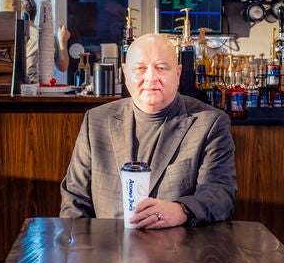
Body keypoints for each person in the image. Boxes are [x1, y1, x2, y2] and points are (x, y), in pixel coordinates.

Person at [60, 33, 236, 229]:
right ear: (125, 73)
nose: (151, 78)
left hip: (177, 252)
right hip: (107, 251)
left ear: (177, 74)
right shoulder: (96, 121)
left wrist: (181, 210)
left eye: (161, 68)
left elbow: (220, 194)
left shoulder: (210, 123)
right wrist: (78, 251)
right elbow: (74, 198)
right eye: (141, 68)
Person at [21, 0, 70, 83]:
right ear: (35, 13)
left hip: (23, 85)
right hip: (42, 85)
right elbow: (63, 66)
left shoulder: (18, 33)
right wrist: (62, 41)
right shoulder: (47, 37)